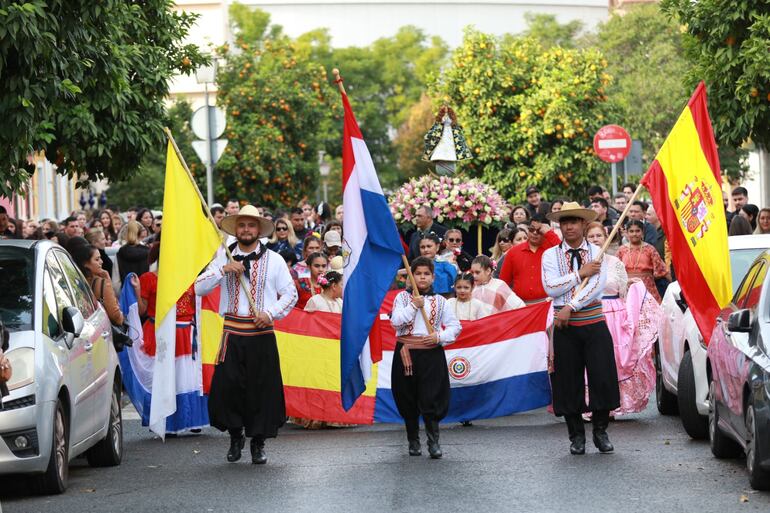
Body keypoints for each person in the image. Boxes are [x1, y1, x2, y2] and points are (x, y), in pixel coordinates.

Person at [195, 205, 297, 465]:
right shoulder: (224, 256)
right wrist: (223, 270)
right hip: (232, 332)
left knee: (261, 390)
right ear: (236, 230)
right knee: (228, 389)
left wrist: (270, 313)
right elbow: (198, 288)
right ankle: (235, 435)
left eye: (251, 225)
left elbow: (291, 294)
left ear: (259, 230)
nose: (246, 230)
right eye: (242, 225)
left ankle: (258, 442)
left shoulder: (274, 260)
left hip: (261, 333)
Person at [542, 201, 620, 455]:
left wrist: (570, 306)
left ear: (584, 224)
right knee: (567, 380)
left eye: (574, 221)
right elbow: (551, 288)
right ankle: (576, 435)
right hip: (565, 328)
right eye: (565, 222)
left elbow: (597, 286)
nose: (569, 226)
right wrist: (578, 275)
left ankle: (600, 431)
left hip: (593, 322)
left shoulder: (598, 251)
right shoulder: (550, 255)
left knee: (602, 377)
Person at [390, 256, 461, 459]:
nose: (422, 278)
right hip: (407, 353)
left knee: (431, 397)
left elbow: (455, 327)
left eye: (426, 274)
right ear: (411, 276)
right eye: (418, 274)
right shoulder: (402, 299)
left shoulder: (440, 301)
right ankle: (413, 441)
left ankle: (433, 441)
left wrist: (439, 337)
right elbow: (396, 322)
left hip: (430, 353)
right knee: (407, 397)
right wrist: (414, 305)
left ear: (432, 277)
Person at [586, 222, 660, 415]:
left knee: (616, 359)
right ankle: (591, 403)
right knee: (591, 361)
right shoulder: (580, 263)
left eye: (599, 236)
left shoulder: (615, 263)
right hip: (590, 314)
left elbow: (621, 291)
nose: (595, 240)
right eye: (591, 236)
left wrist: (632, 284)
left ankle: (613, 403)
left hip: (615, 316)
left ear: (606, 237)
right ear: (586, 239)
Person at [136, 242, 209, 433]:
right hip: (160, 334)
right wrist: (136, 290)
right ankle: (165, 422)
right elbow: (142, 310)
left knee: (187, 377)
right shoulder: (148, 279)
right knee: (165, 376)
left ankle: (190, 419)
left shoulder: (191, 278)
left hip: (186, 334)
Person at [499, 215, 561, 304]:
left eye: (539, 230)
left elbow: (565, 253)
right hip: (520, 305)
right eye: (531, 229)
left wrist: (549, 233)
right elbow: (503, 282)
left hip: (547, 304)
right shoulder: (513, 252)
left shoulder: (552, 249)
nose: (535, 233)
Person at [71, 243, 132, 327]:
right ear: (85, 263)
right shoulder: (101, 283)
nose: (101, 262)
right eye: (97, 259)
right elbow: (116, 317)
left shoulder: (74, 281)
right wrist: (108, 282)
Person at [616, 220, 670, 303]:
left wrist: (675, 285)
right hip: (628, 288)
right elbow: (616, 272)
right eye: (631, 231)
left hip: (647, 288)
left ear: (642, 232)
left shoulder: (650, 249)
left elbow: (662, 270)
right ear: (627, 232)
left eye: (637, 231)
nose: (634, 234)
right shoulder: (621, 250)